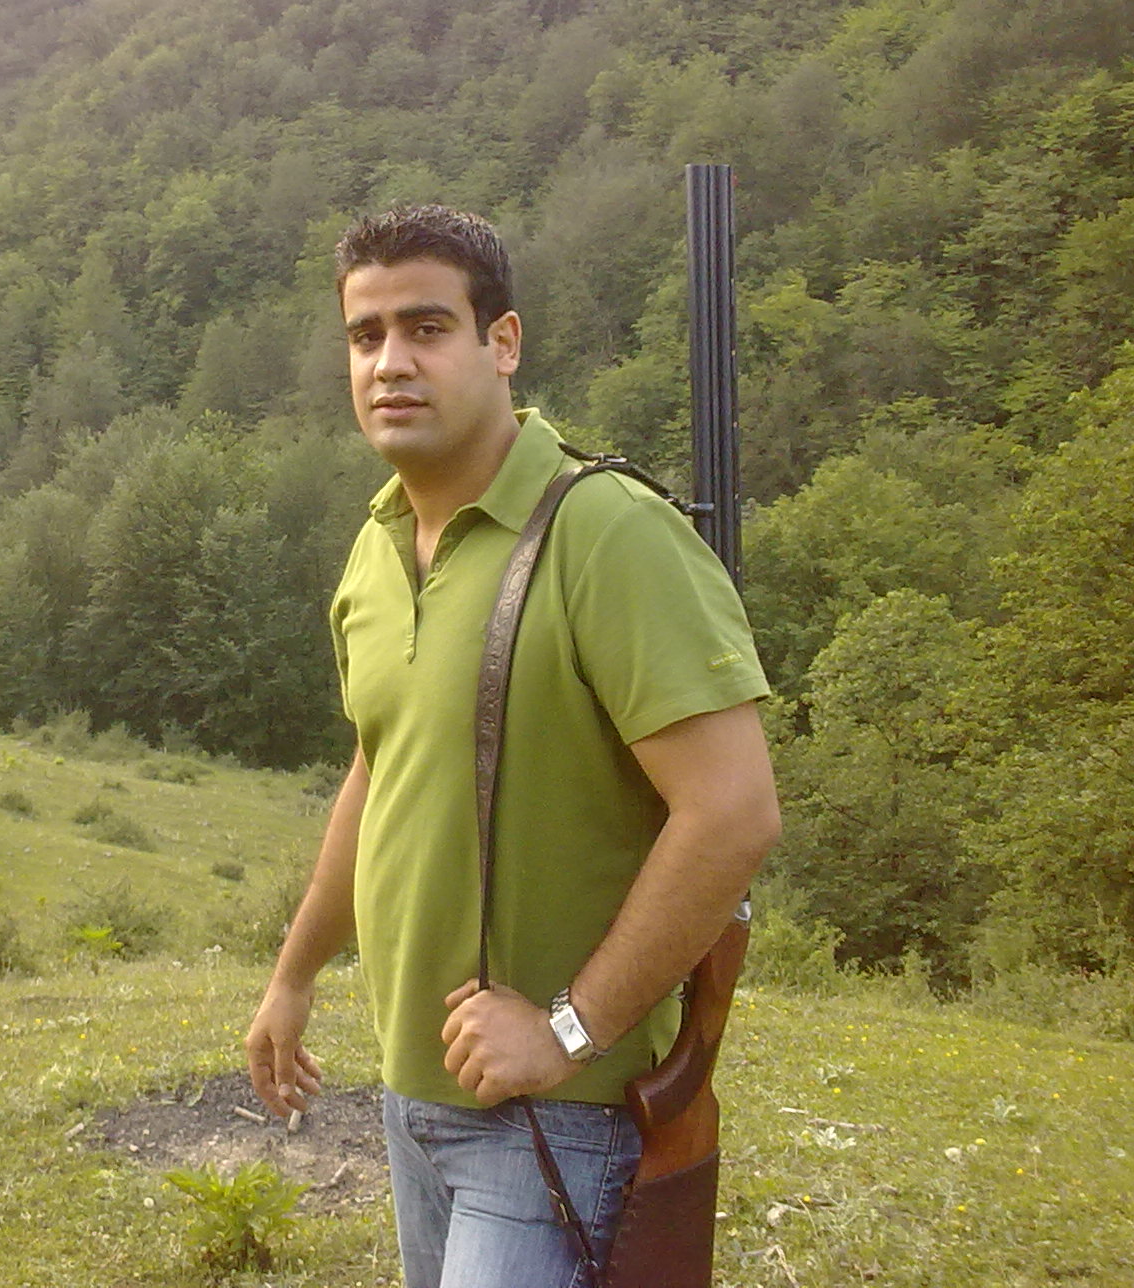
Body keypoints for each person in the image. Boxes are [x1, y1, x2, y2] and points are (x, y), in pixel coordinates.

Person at [245, 204, 780, 1288]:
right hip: (412, 1097)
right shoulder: (375, 545)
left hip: (557, 1118)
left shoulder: (605, 531)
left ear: (502, 343)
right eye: (365, 336)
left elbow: (733, 811)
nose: (391, 362)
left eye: (426, 327)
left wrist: (568, 1030)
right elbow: (381, 770)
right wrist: (294, 975)